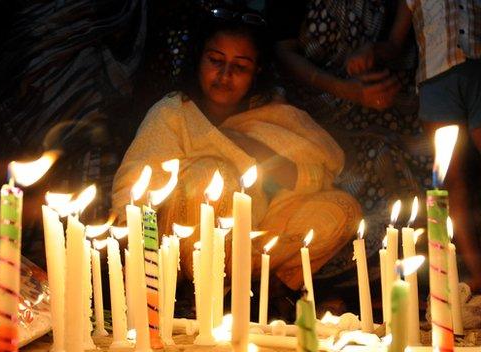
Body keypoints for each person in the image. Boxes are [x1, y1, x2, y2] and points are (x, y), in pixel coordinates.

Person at [111, 8, 361, 301]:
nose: (225, 75)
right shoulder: (173, 112)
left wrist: (250, 148)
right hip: (179, 250)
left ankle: (268, 289)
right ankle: (194, 295)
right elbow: (131, 190)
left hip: (251, 244)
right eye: (216, 61)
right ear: (198, 59)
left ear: (256, 71)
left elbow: (317, 177)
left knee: (342, 209)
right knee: (211, 177)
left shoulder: (272, 116)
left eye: (239, 67)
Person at [272, 0, 433, 288]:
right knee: (353, 177)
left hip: (384, 111)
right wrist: (345, 89)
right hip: (317, 113)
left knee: (409, 160)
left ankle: (408, 273)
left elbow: (397, 43)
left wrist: (377, 63)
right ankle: (343, 285)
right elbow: (282, 51)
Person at [345, 0, 481, 291]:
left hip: (478, 76)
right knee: (453, 180)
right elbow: (395, 45)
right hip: (436, 83)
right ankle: (476, 270)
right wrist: (370, 53)